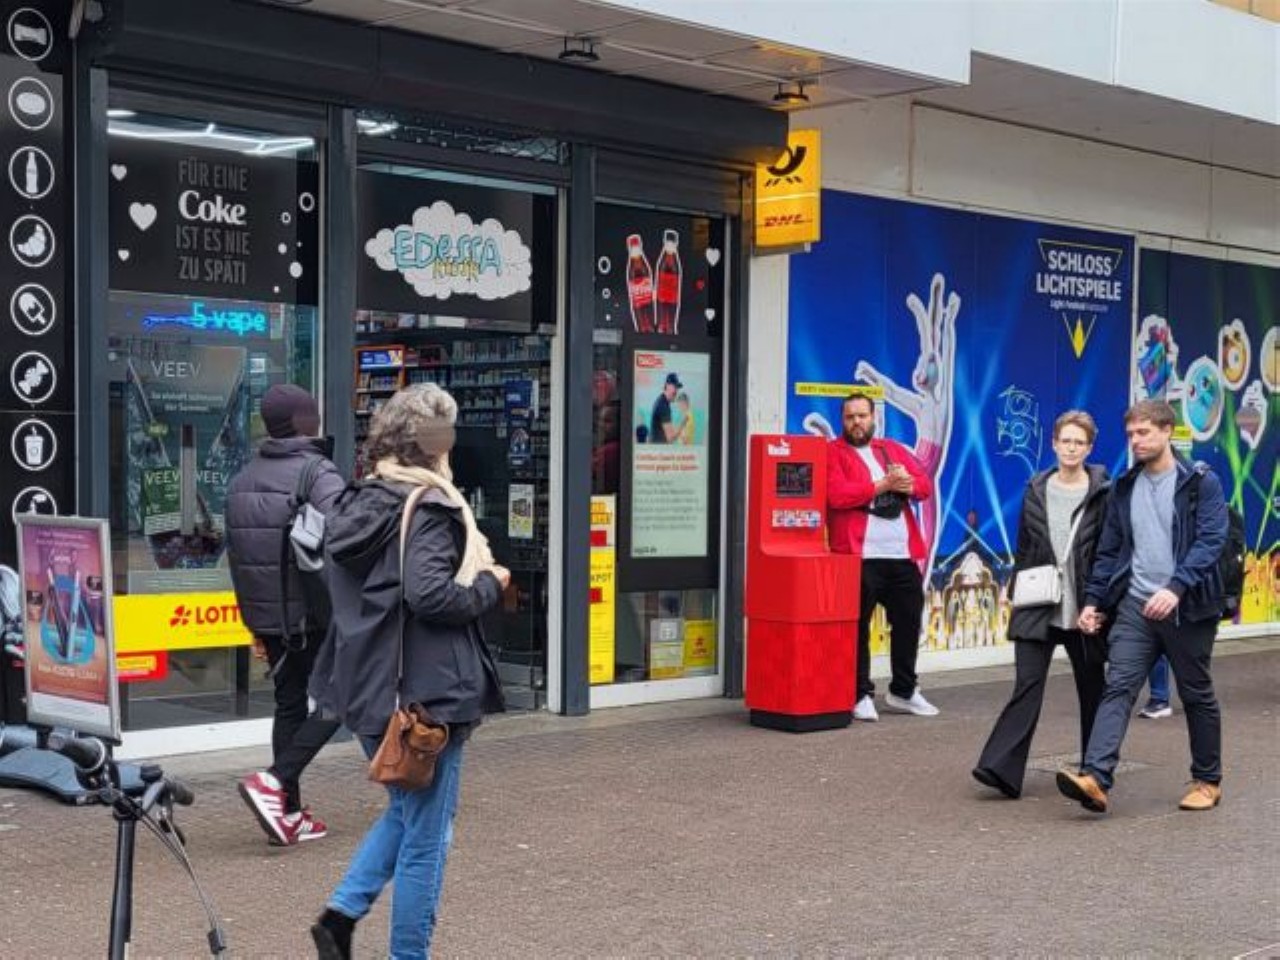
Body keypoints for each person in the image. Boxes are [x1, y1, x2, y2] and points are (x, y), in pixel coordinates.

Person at [308, 383, 509, 960]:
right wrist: (489, 585)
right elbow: (430, 595)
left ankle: (339, 917)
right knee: (428, 837)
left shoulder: (358, 501)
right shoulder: (431, 508)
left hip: (370, 689)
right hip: (426, 699)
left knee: (406, 812)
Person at [1057, 400, 1229, 815]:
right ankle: (1096, 777)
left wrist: (1176, 587)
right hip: (1136, 605)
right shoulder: (1124, 487)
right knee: (1118, 685)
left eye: (1144, 432)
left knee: (1195, 692)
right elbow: (1110, 551)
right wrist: (1094, 601)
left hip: (1186, 608)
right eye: (1131, 434)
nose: (1136, 440)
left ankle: (1207, 781)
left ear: (1167, 431)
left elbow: (1211, 540)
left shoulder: (1200, 482)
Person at [226, 383, 344, 846]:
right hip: (313, 616)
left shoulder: (242, 478)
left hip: (268, 618)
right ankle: (275, 780)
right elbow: (349, 535)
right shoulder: (317, 473)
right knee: (345, 694)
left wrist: (256, 622)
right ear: (302, 422)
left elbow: (239, 556)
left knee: (290, 702)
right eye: (312, 413)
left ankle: (287, 814)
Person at [973, 411, 1110, 799]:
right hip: (1038, 604)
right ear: (1054, 443)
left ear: (1089, 448)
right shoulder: (1035, 488)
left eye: (1079, 442)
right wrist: (1015, 589)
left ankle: (1095, 769)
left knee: (1092, 690)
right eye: (1066, 441)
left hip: (1085, 609)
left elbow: (1109, 552)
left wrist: (1100, 603)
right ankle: (1000, 768)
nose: (1071, 448)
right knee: (1027, 684)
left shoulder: (1104, 492)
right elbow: (1025, 546)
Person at [827, 392, 937, 721]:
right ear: (842, 420)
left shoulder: (892, 449)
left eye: (862, 416)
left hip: (901, 555)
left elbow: (924, 487)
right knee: (856, 628)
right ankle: (859, 694)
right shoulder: (832, 452)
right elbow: (836, 495)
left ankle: (904, 690)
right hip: (858, 556)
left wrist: (905, 484)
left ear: (873, 418)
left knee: (908, 623)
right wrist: (882, 485)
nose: (856, 423)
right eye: (850, 417)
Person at [649, 373, 680, 443]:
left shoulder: (662, 400)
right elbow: (670, 438)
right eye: (675, 387)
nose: (676, 391)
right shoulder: (663, 406)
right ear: (667, 386)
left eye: (677, 388)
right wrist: (683, 424)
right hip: (657, 448)